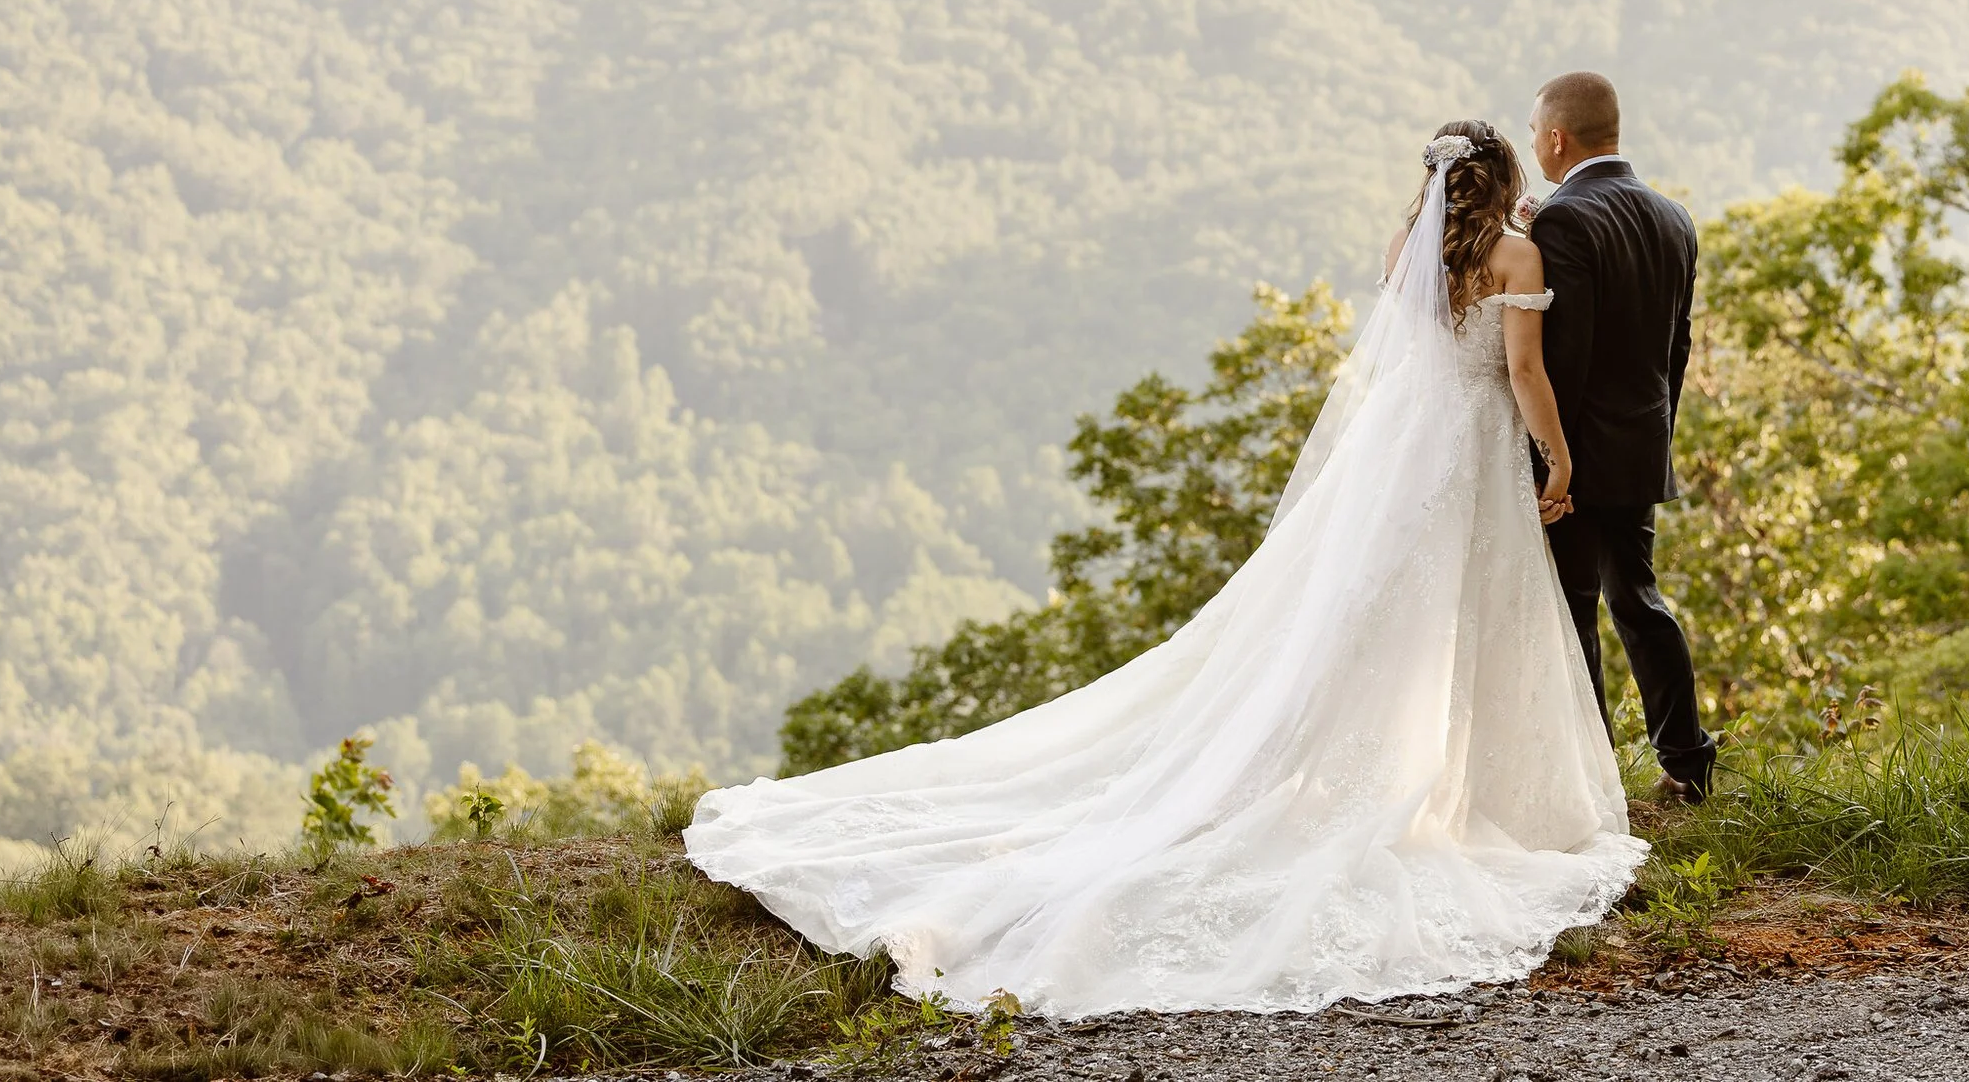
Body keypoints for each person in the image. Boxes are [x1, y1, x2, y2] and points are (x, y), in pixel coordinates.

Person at [682, 121, 1642, 1018]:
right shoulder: (1519, 256)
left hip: (1399, 451)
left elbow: (1403, 356)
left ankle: (1363, 766)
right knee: (1462, 613)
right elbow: (1523, 373)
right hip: (1470, 445)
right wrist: (1555, 457)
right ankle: (1450, 786)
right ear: (1506, 179)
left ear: (1435, 182)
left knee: (1370, 610)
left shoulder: (1403, 252)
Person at [1523, 72, 1717, 801]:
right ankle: (1688, 761)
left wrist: (1548, 460)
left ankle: (1595, 781)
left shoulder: (1562, 221)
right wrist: (1654, 431)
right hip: (1641, 443)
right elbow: (1679, 344)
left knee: (1574, 611)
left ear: (1555, 137)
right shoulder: (1675, 217)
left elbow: (1561, 358)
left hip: (1574, 457)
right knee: (1638, 597)